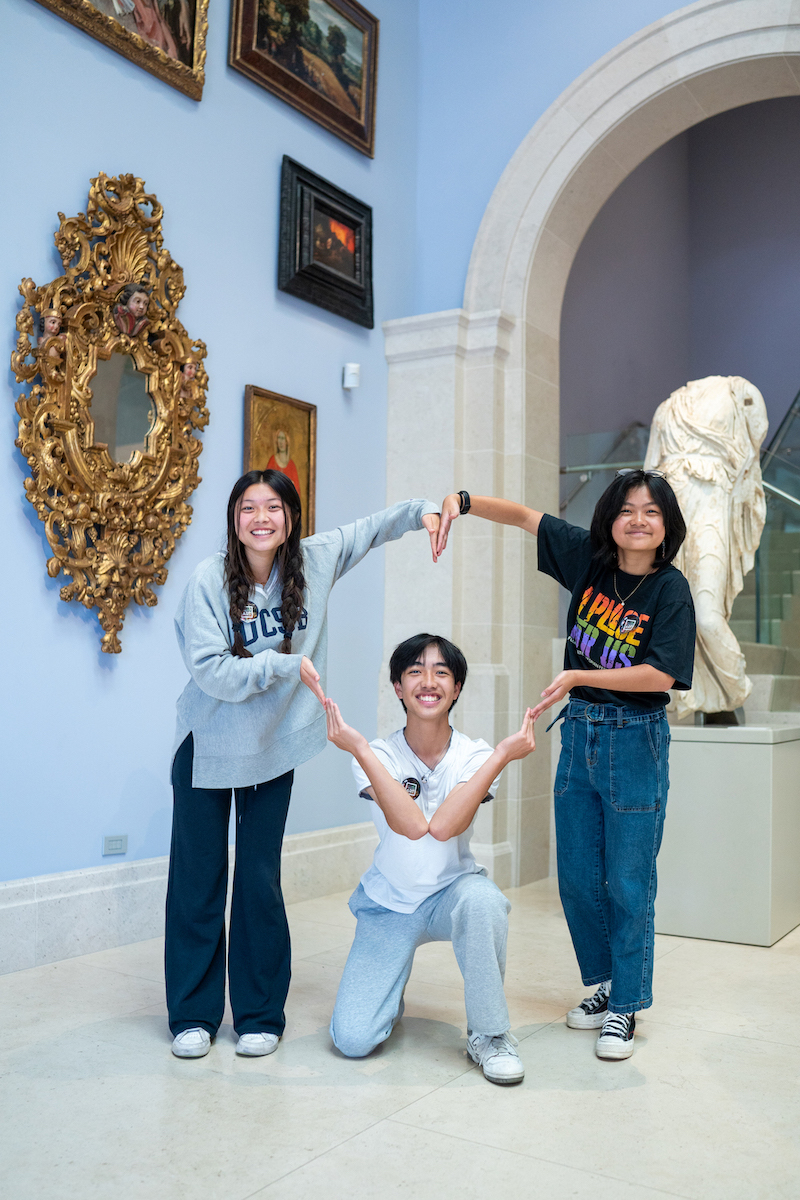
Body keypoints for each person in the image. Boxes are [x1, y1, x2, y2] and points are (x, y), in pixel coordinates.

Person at [166, 471, 441, 1060]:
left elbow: (370, 531)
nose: (260, 517)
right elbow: (211, 670)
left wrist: (423, 511)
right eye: (247, 508)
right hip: (209, 746)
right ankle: (192, 1015)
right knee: (198, 880)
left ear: (291, 518)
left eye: (272, 507)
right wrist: (281, 665)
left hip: (272, 750)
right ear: (234, 519)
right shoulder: (207, 581)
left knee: (259, 880)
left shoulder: (314, 562)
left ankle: (261, 1015)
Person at [436, 473, 695, 1059]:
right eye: (626, 510)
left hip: (635, 740)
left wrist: (580, 675)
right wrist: (465, 502)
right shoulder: (588, 561)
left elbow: (660, 676)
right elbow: (527, 516)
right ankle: (606, 986)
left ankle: (627, 1004)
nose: (637, 520)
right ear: (609, 519)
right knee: (578, 878)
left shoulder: (671, 590)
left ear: (666, 526)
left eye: (650, 513)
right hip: (579, 736)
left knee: (629, 881)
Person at [325, 633, 536, 1084]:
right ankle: (387, 993)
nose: (429, 680)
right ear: (398, 687)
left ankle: (490, 1035)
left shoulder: (474, 754)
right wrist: (360, 748)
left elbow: (441, 828)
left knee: (483, 901)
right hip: (389, 903)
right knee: (352, 1040)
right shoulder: (377, 754)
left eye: (442, 671)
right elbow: (411, 826)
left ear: (456, 688)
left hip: (451, 893)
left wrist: (500, 756)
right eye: (415, 670)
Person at [644, 375, 768, 717]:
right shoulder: (666, 408)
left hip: (714, 504)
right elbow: (648, 475)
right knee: (675, 615)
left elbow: (754, 445)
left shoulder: (739, 390)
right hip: (671, 516)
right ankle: (704, 700)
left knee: (708, 616)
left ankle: (734, 691)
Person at [267, 429, 301, 493]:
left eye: (283, 438)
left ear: (287, 441)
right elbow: (266, 484)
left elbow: (297, 490)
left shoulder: (291, 465)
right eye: (279, 438)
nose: (281, 441)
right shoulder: (272, 461)